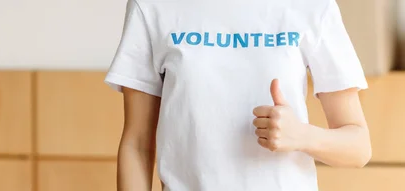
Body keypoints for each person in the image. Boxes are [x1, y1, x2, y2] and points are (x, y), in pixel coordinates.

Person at [104, 0, 372, 190]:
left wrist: (302, 135)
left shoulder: (313, 7)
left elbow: (359, 148)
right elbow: (137, 144)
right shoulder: (152, 6)